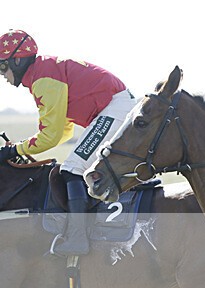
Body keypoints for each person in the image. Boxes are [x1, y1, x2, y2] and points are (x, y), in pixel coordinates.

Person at [0, 30, 137, 256]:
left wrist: (14, 150)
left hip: (115, 109)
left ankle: (77, 238)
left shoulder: (43, 79)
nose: (3, 76)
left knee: (72, 169)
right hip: (116, 107)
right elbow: (64, 132)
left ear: (17, 60)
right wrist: (19, 147)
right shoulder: (42, 72)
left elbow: (51, 136)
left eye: (2, 67)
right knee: (73, 166)